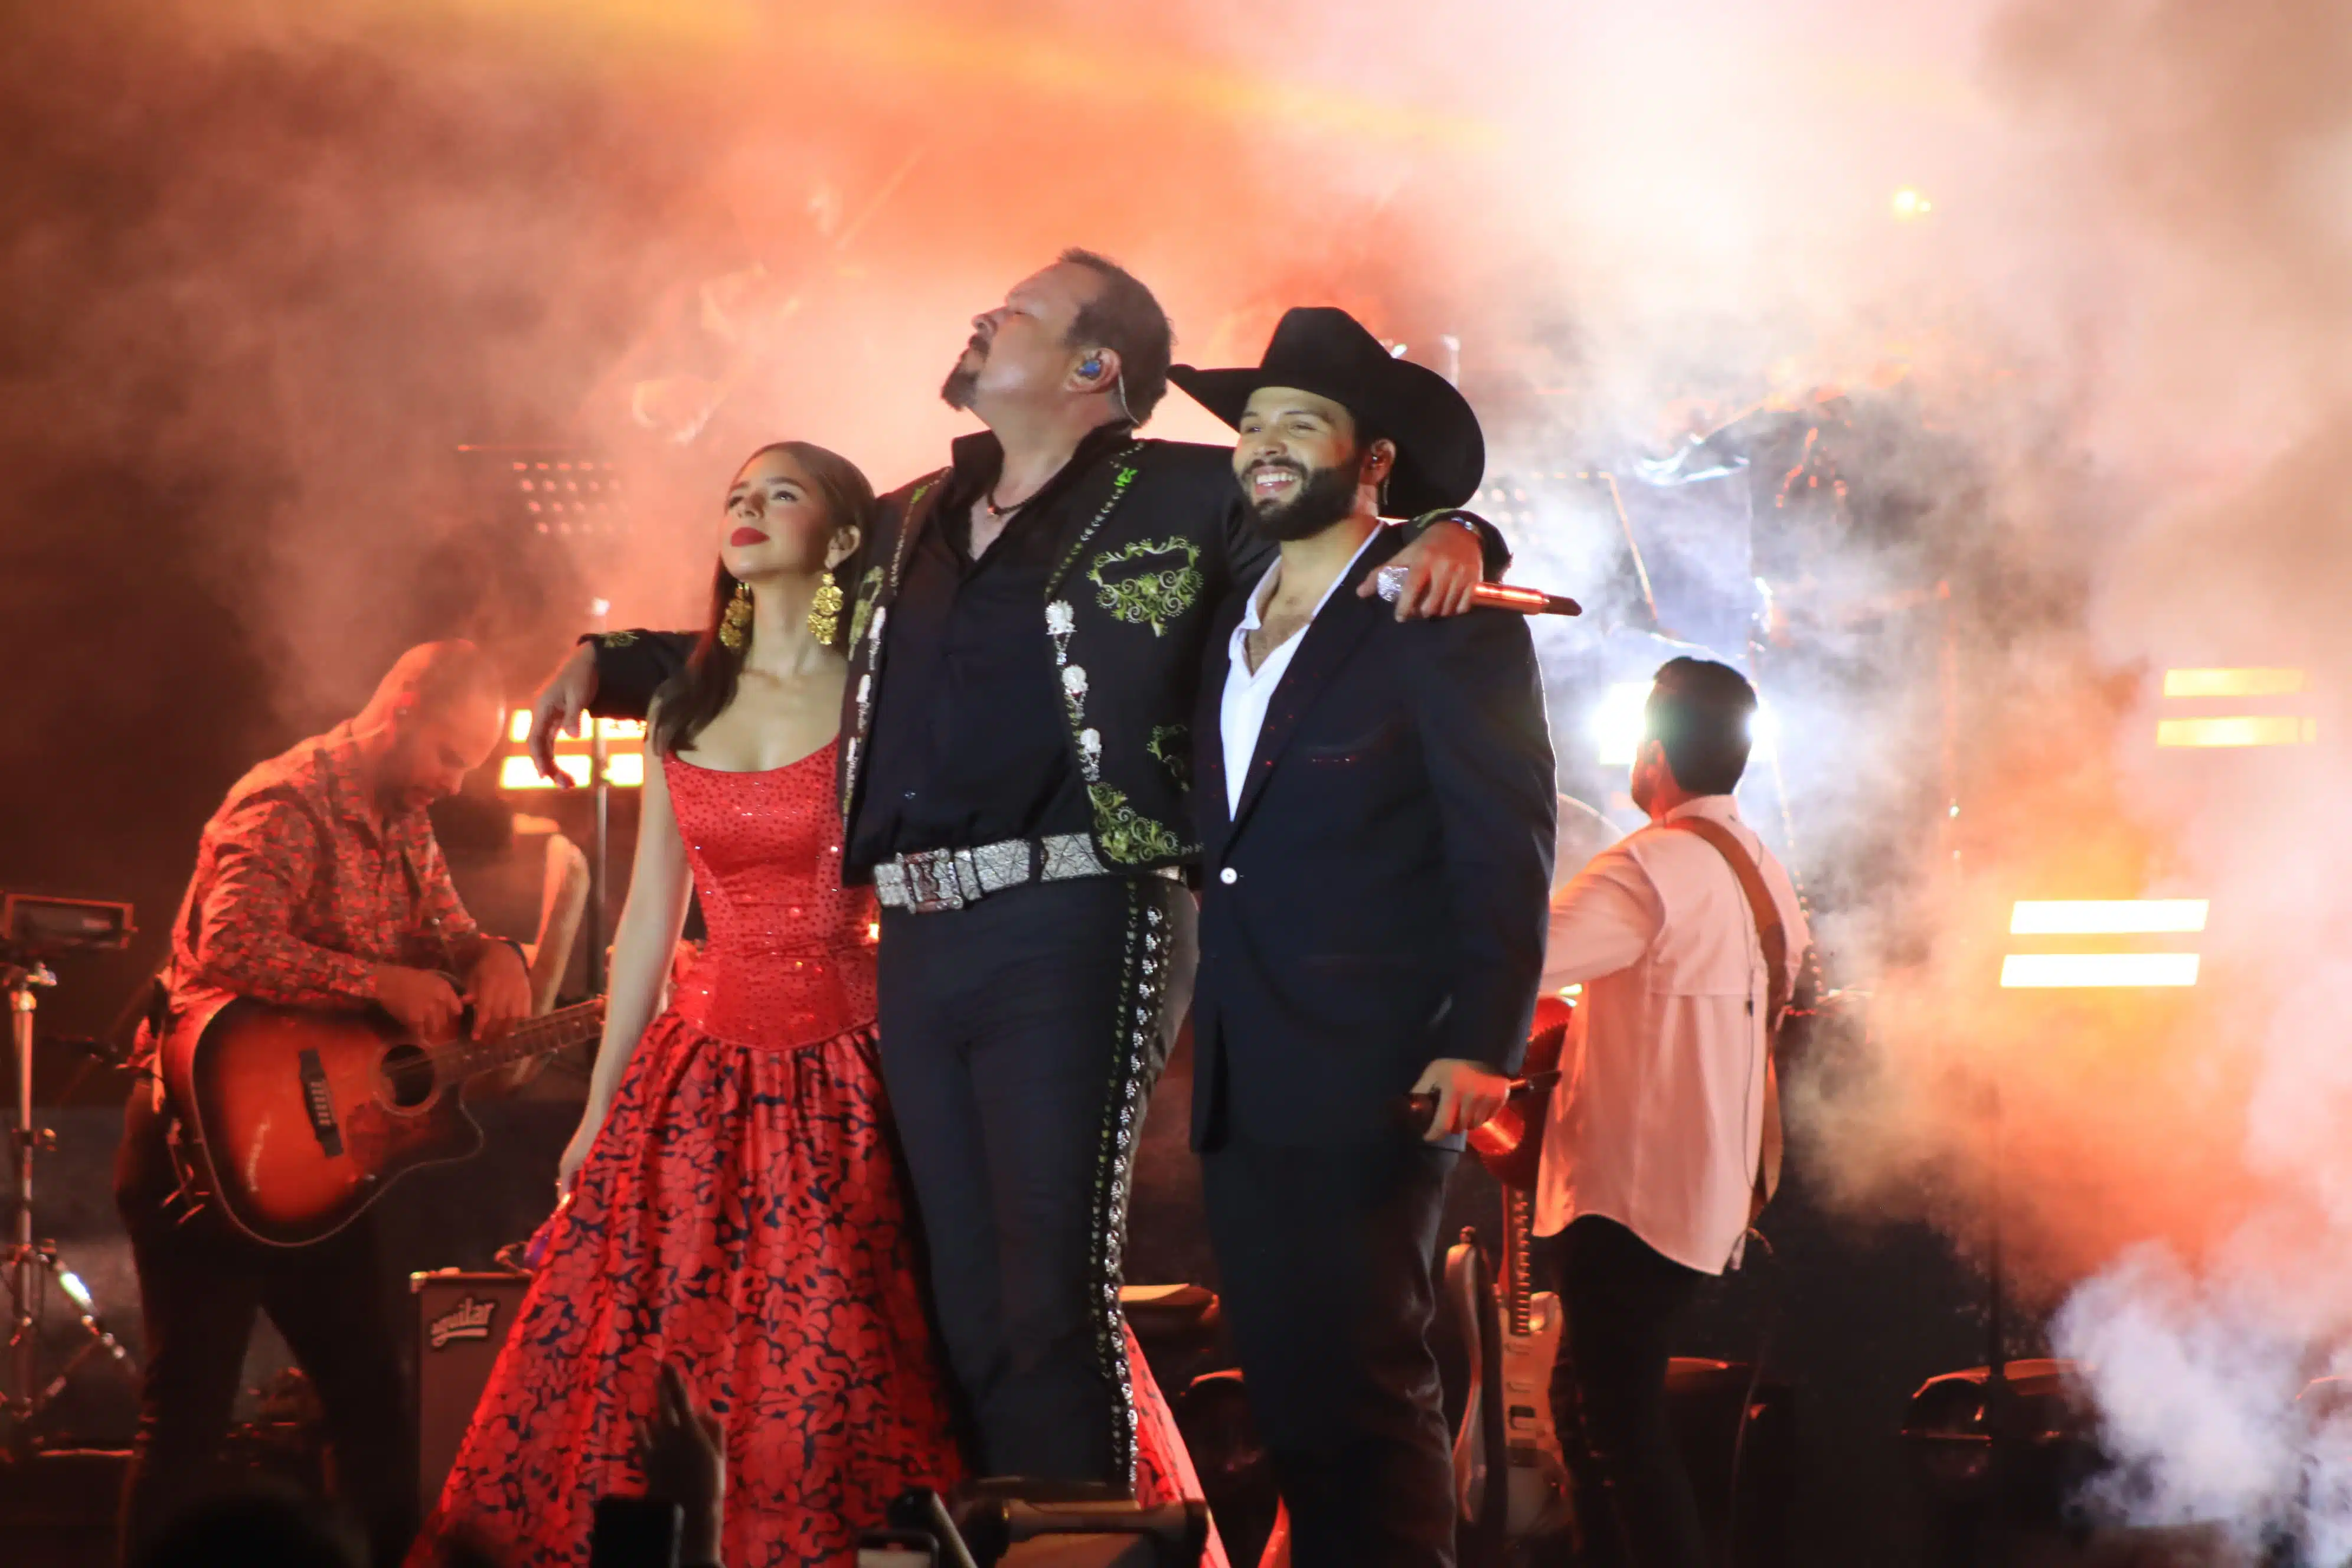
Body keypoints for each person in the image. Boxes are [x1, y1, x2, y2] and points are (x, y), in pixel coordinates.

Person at [527, 252, 1505, 1488]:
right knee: (962, 1293)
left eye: (1019, 315)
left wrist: (1461, 530)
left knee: (1048, 1287)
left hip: (1083, 912)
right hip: (925, 940)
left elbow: (1338, 524)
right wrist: (614, 661)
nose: (983, 318)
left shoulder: (1188, 493)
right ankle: (1016, 1532)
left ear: (1096, 367)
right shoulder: (907, 515)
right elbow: (777, 637)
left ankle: (1084, 1537)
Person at [420, 443, 1218, 1568]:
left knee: (871, 1336)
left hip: (863, 1052)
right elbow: (649, 918)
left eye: (778, 494)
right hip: (695, 1070)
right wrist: (597, 1113)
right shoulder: (683, 705)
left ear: (844, 542)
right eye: (736, 496)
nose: (746, 510)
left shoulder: (883, 695)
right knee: (660, 1358)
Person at [1174, 306, 1557, 1567]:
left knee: (1368, 1385)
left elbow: (1506, 844)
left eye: (1303, 424)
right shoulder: (1222, 600)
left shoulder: (1446, 614)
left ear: (1374, 459)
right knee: (1292, 1400)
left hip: (1379, 1068)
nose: (1265, 447)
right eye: (1254, 425)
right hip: (1243, 1066)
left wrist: (1484, 1041)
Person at [119, 641, 531, 1568]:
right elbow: (230, 944)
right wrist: (377, 980)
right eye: (450, 754)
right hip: (206, 1147)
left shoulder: (404, 819)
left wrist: (494, 953)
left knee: (371, 1401)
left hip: (315, 1164)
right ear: (402, 711)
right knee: (187, 1415)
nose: (456, 783)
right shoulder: (288, 798)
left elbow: (452, 931)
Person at [1532, 658, 1812, 1568]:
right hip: (1710, 1194)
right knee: (1587, 1415)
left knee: (1621, 1440)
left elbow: (1516, 957)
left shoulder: (1649, 867)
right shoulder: (1766, 873)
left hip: (1629, 1198)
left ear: (1653, 754)